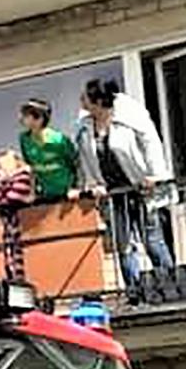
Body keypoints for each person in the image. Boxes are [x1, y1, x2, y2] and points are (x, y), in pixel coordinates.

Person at [74, 78, 174, 291]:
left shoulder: (129, 114)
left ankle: (170, 287)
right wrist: (92, 184)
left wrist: (155, 175)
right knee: (124, 245)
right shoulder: (84, 125)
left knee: (152, 241)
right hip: (113, 195)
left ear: (98, 101)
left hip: (140, 188)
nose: (81, 100)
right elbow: (84, 158)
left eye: (85, 97)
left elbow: (151, 143)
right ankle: (134, 292)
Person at [0, 148, 35, 281]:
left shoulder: (24, 176)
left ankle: (18, 279)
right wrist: (1, 182)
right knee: (9, 256)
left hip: (22, 224)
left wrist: (5, 185)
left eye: (4, 165)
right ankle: (12, 277)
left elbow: (13, 196)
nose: (1, 169)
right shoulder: (6, 180)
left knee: (19, 255)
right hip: (8, 225)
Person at [18, 97, 79, 200]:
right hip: (45, 195)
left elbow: (76, 164)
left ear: (39, 119)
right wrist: (32, 193)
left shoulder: (59, 140)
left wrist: (74, 188)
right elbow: (32, 167)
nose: (21, 118)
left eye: (26, 115)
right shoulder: (24, 139)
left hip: (68, 195)